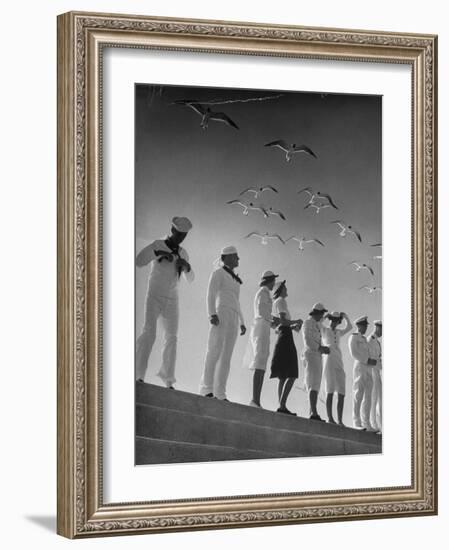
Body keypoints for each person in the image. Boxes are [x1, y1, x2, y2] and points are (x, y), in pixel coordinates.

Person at [135, 216, 194, 387]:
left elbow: (191, 278)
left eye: (184, 235)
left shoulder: (184, 253)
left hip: (172, 299)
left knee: (172, 338)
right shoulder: (158, 244)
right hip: (154, 296)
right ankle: (138, 375)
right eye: (179, 234)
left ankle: (168, 380)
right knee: (149, 333)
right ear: (172, 230)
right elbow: (139, 261)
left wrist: (187, 266)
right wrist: (158, 253)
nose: (181, 238)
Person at [199, 246, 246, 401]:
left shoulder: (235, 279)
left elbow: (237, 302)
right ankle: (207, 389)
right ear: (226, 257)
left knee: (226, 357)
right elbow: (211, 293)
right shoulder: (218, 273)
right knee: (214, 350)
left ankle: (220, 393)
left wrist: (242, 321)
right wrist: (211, 313)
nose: (238, 259)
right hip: (221, 313)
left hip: (233, 316)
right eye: (236, 256)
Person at [269, 281, 303, 415]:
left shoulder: (278, 301)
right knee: (292, 373)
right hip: (285, 337)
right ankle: (282, 405)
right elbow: (283, 321)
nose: (287, 289)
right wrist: (296, 322)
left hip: (284, 334)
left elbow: (280, 323)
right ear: (281, 289)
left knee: (283, 375)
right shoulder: (281, 300)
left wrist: (292, 326)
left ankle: (281, 405)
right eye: (285, 287)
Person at [248, 270, 279, 408]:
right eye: (273, 280)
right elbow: (262, 311)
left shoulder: (266, 293)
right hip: (260, 327)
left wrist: (272, 322)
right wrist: (275, 319)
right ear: (269, 280)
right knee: (259, 362)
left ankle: (257, 400)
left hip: (264, 327)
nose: (274, 283)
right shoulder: (262, 292)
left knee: (262, 364)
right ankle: (254, 400)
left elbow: (265, 314)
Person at [321, 311, 353, 425]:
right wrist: (324, 317)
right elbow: (318, 324)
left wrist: (345, 317)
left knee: (341, 390)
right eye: (332, 320)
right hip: (329, 359)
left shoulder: (339, 332)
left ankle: (340, 420)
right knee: (329, 388)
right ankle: (330, 418)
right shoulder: (325, 330)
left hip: (338, 359)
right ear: (329, 320)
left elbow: (349, 326)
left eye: (336, 320)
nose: (334, 322)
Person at [348, 316, 378, 430]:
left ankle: (366, 423)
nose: (366, 328)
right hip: (360, 366)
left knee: (368, 396)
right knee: (358, 393)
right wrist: (366, 360)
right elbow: (354, 353)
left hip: (368, 368)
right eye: (364, 325)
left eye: (366, 326)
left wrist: (371, 361)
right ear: (359, 326)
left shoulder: (365, 339)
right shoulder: (353, 337)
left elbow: (368, 353)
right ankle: (357, 422)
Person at [302, 303, 330, 421]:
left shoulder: (317, 323)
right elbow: (308, 340)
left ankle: (312, 411)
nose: (322, 315)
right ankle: (313, 412)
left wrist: (327, 316)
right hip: (312, 354)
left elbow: (321, 321)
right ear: (316, 313)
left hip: (317, 356)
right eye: (321, 313)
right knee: (312, 383)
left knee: (316, 384)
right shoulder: (308, 323)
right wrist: (320, 348)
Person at [369, 320, 383, 433]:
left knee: (379, 399)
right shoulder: (371, 340)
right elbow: (370, 358)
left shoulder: (377, 342)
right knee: (374, 399)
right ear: (377, 328)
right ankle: (374, 423)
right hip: (372, 371)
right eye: (382, 329)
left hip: (377, 371)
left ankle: (379, 424)